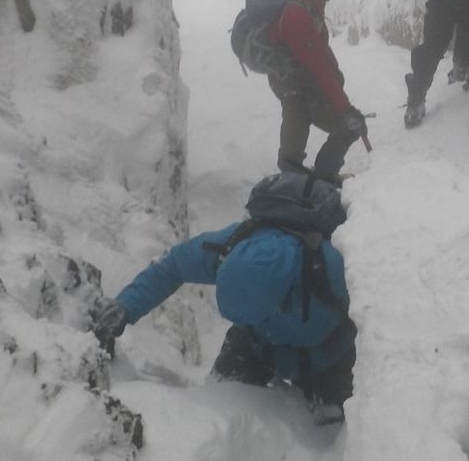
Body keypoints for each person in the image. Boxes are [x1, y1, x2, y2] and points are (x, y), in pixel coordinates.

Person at [88, 174, 355, 423]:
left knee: (330, 432)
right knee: (219, 410)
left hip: (329, 356)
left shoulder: (331, 268)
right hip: (258, 345)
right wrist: (125, 306)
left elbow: (376, 313)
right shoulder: (231, 245)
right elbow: (172, 265)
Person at [269, 0, 367, 180]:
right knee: (349, 125)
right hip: (294, 82)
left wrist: (336, 71)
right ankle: (321, 178)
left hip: (292, 79)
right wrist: (346, 109)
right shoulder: (298, 12)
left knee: (298, 119)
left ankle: (297, 174)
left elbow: (320, 49)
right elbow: (318, 68)